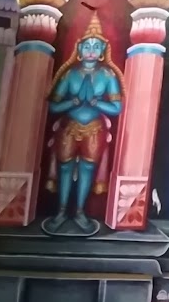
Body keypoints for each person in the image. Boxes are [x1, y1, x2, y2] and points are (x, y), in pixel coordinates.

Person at [43, 15, 123, 235]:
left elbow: (117, 109)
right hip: (69, 127)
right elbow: (53, 107)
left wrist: (98, 104)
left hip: (95, 128)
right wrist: (72, 102)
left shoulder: (107, 76)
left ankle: (79, 211)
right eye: (87, 46)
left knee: (88, 169)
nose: (91, 50)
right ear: (79, 49)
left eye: (96, 46)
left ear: (102, 51)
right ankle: (60, 211)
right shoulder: (70, 74)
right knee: (65, 168)